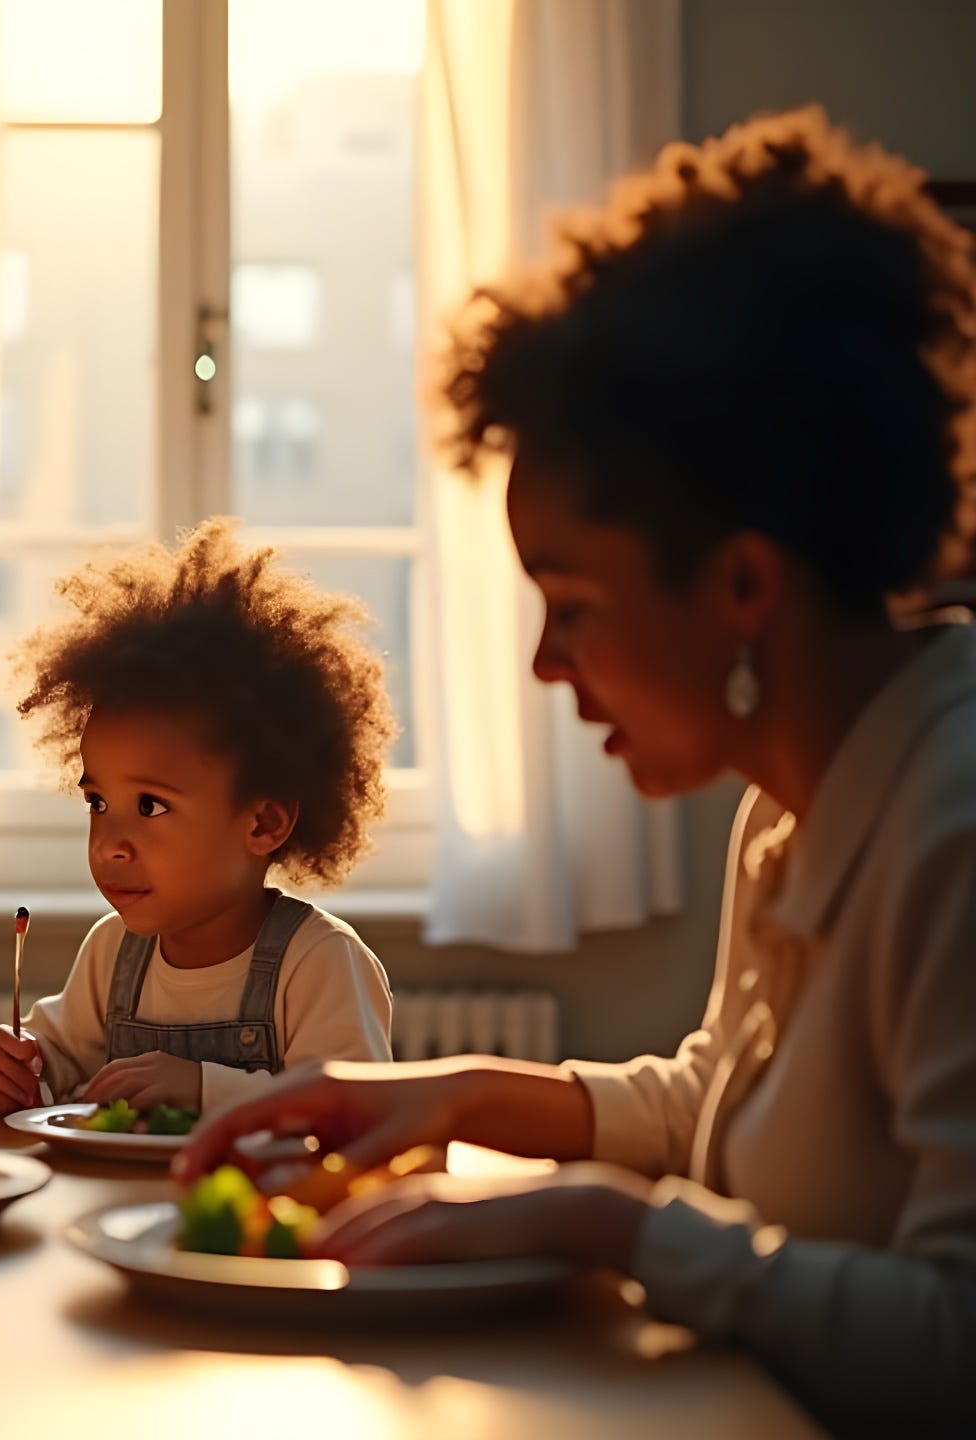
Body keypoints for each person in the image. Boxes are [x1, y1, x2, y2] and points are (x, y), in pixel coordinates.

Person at [176, 108, 976, 1428]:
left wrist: (613, 1227)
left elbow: (954, 1344)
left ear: (741, 582)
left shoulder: (949, 831)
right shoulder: (796, 806)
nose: (549, 664)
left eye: (574, 599)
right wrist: (430, 1094)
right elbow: (716, 1103)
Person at [0, 520, 395, 1119]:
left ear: (263, 822)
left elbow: (355, 1110)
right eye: (97, 803)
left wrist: (204, 1087)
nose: (110, 843)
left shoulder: (318, 961)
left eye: (151, 806)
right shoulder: (113, 951)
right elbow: (49, 1060)